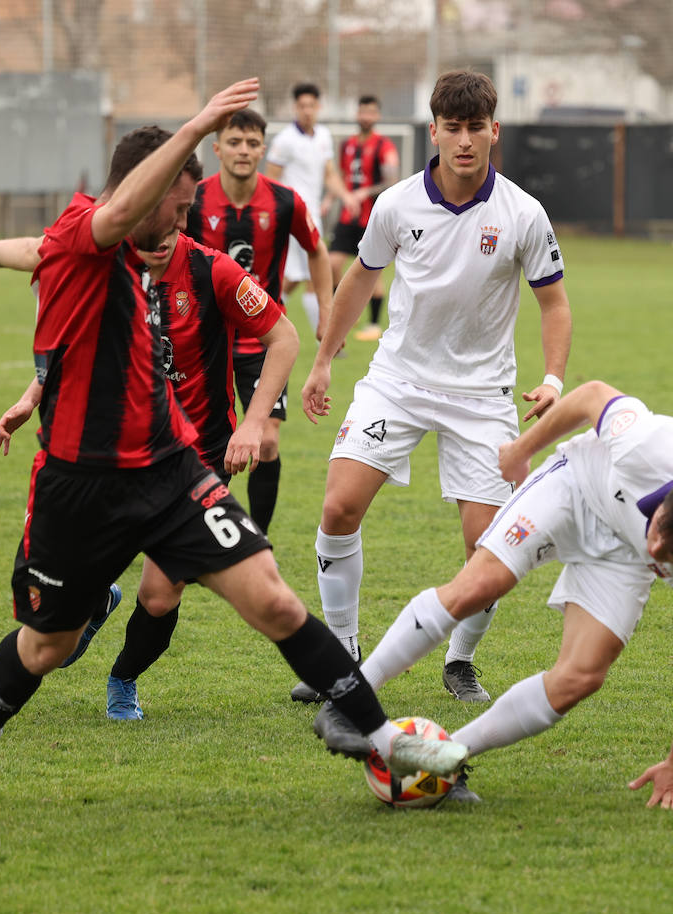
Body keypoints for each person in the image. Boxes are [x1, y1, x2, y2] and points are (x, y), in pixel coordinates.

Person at [0, 79, 468, 803]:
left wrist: (255, 419)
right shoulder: (87, 230)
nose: (185, 223)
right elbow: (82, 231)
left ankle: (379, 740)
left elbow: (276, 328)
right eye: (178, 209)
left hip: (171, 470)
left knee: (275, 601)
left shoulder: (188, 261)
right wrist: (197, 124)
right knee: (46, 647)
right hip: (78, 484)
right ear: (142, 195)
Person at [0, 150, 300, 721]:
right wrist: (32, 391)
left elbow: (284, 336)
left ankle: (124, 678)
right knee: (59, 623)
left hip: (193, 454)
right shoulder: (107, 264)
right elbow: (46, 262)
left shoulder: (213, 271)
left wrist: (255, 422)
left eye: (175, 223)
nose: (163, 238)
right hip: (114, 451)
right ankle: (82, 609)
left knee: (160, 595)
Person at [313, 381, 673, 808]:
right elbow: (592, 395)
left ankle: (442, 760)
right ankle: (350, 697)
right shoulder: (650, 446)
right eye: (657, 529)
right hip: (577, 488)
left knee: (581, 677)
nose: (655, 549)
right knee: (480, 585)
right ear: (670, 494)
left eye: (672, 556)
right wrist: (522, 450)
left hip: (619, 560)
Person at [295, 69, 573, 706]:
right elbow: (359, 281)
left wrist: (554, 377)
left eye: (477, 127)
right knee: (338, 508)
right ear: (436, 132)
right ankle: (341, 657)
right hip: (397, 381)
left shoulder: (524, 213)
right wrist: (323, 361)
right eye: (454, 128)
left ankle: (461, 659)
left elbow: (554, 305)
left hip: (482, 396)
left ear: (494, 131)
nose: (466, 141)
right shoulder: (395, 205)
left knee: (491, 547)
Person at [187, 108, 333, 538]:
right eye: (234, 142)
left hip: (263, 343)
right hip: (204, 343)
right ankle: (194, 530)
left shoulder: (285, 201)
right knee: (197, 444)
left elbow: (317, 251)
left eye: (252, 143)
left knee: (266, 441)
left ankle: (257, 536)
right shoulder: (193, 199)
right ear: (217, 149)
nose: (243, 151)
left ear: (263, 149)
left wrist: (325, 310)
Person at [264, 82, 359, 337]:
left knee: (303, 278)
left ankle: (266, 323)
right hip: (291, 218)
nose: (307, 110)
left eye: (311, 105)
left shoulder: (324, 136)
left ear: (318, 107)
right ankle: (323, 338)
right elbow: (270, 181)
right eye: (302, 106)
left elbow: (330, 174)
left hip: (313, 217)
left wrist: (346, 196)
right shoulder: (285, 140)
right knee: (312, 276)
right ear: (296, 108)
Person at [330, 95, 400, 343]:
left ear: (377, 116)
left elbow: (391, 182)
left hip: (371, 218)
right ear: (357, 114)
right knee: (332, 265)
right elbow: (340, 176)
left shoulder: (385, 146)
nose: (366, 117)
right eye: (363, 112)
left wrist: (363, 193)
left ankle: (372, 324)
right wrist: (331, 198)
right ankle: (347, 310)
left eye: (371, 112)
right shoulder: (346, 145)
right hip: (348, 215)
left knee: (373, 270)